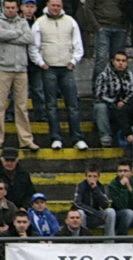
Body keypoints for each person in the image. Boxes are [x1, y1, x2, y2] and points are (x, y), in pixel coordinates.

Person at [28, 0, 88, 150]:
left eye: (58, 6)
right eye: (53, 5)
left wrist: (73, 61)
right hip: (49, 68)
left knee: (73, 105)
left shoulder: (71, 22)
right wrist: (41, 63)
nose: (55, 8)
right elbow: (33, 47)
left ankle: (77, 138)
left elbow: (78, 45)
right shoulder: (39, 23)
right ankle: (56, 138)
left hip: (67, 69)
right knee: (51, 105)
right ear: (47, 5)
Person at [0, 0, 39, 151]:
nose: (10, 10)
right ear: (3, 8)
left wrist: (8, 37)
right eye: (7, 8)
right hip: (3, 68)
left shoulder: (23, 22)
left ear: (17, 8)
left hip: (21, 69)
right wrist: (17, 34)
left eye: (13, 8)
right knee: (0, 105)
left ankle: (26, 139)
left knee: (22, 106)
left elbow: (29, 38)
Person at [73, 163, 116, 236]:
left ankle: (109, 240)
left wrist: (96, 190)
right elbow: (77, 203)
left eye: (94, 176)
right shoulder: (81, 186)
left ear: (98, 177)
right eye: (89, 176)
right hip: (86, 216)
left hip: (97, 216)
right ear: (86, 176)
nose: (92, 179)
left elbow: (105, 205)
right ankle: (82, 240)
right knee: (80, 213)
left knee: (111, 212)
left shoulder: (100, 187)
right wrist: (94, 212)